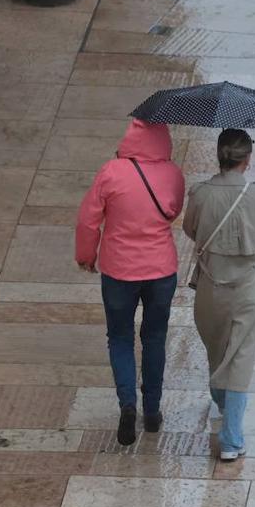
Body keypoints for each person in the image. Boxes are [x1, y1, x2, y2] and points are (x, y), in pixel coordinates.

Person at [76, 119, 185, 447]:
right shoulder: (173, 174)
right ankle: (152, 410)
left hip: (119, 270)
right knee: (154, 337)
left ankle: (127, 405)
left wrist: (86, 255)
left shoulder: (110, 171)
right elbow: (173, 211)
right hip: (161, 270)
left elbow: (88, 218)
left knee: (120, 337)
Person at [182, 128, 255, 462]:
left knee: (217, 348)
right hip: (248, 287)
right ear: (247, 159)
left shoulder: (200, 194)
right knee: (241, 358)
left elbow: (190, 229)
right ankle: (232, 439)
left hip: (210, 285)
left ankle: (224, 408)